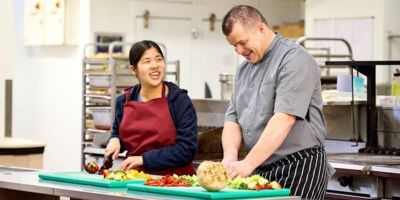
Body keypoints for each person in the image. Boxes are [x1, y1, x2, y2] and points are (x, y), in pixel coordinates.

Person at [220, 5, 333, 199]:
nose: (239, 50)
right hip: (260, 168)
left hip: (299, 167)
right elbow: (233, 118)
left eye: (242, 42)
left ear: (261, 28)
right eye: (234, 46)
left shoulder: (294, 59)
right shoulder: (243, 70)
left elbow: (284, 118)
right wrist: (229, 158)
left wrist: (248, 164)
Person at [105, 40, 197, 176]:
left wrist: (144, 159)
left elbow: (187, 149)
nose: (154, 66)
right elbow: (119, 134)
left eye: (158, 59)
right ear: (133, 69)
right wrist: (114, 139)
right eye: (147, 61)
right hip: (134, 180)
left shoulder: (179, 100)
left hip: (175, 182)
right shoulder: (124, 100)